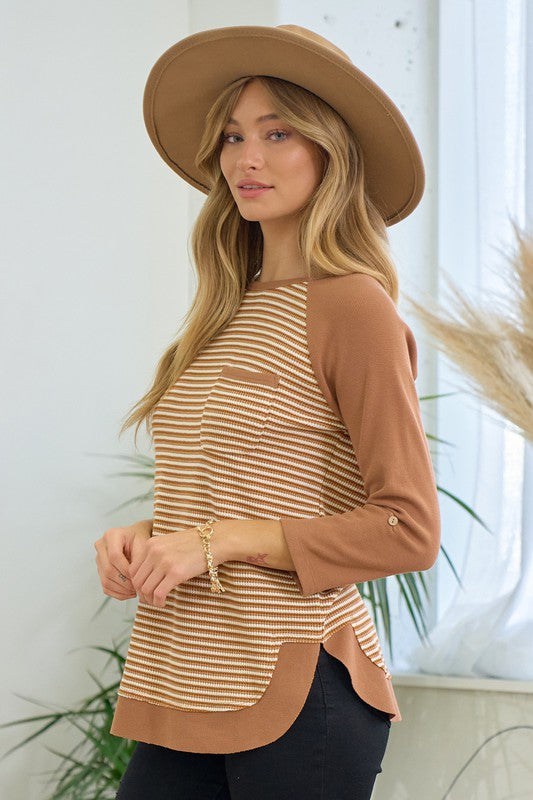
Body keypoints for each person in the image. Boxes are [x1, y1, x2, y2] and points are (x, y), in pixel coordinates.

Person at [93, 23, 441, 800]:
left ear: (330, 151)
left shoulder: (352, 307)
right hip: (186, 680)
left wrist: (215, 542)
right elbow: (240, 489)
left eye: (277, 133)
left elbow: (408, 527)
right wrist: (150, 537)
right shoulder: (223, 312)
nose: (246, 158)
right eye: (232, 136)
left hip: (297, 688)